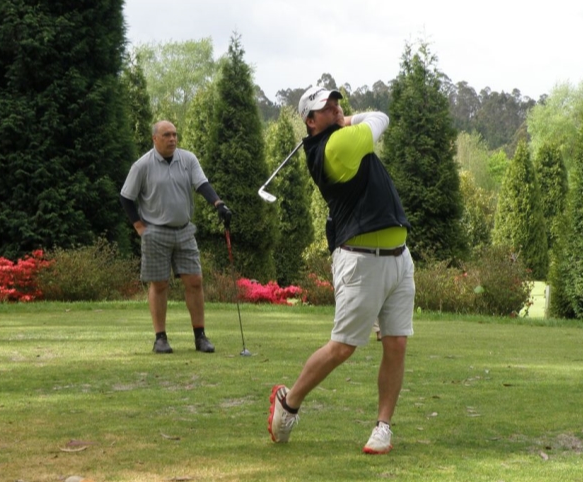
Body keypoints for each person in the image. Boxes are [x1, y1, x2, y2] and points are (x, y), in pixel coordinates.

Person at [268, 87, 415, 454]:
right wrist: (348, 119)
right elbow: (381, 117)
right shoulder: (335, 146)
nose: (334, 108)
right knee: (343, 347)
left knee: (396, 343)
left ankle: (383, 428)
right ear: (310, 121)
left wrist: (343, 118)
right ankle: (289, 404)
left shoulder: (335, 139)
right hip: (361, 260)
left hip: (399, 256)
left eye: (335, 102)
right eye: (324, 107)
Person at [120, 120, 232, 354]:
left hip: (184, 230)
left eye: (174, 134)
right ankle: (160, 338)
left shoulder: (188, 159)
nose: (172, 139)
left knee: (195, 281)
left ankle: (200, 336)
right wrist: (139, 226)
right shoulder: (142, 165)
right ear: (155, 139)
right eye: (166, 135)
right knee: (159, 284)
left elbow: (202, 184)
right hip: (155, 232)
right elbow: (126, 197)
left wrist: (218, 203)